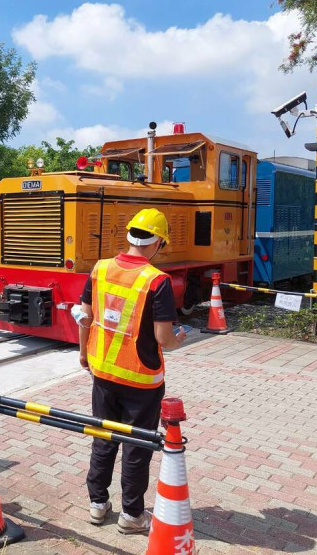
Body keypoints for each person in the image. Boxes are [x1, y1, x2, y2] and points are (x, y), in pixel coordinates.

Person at [77, 208, 187, 534]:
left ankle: (97, 505)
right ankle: (131, 515)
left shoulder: (99, 269)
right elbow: (163, 339)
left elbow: (85, 317)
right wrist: (178, 340)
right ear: (158, 243)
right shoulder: (157, 281)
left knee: (103, 437)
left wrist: (84, 354)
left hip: (104, 375)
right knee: (136, 447)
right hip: (142, 379)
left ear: (128, 237)